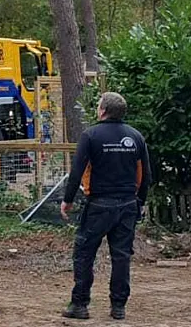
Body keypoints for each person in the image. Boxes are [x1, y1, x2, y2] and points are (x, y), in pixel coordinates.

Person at [60, 92, 151, 321]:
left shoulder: (90, 135)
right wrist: (140, 202)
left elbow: (77, 171)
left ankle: (79, 304)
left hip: (98, 205)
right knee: (121, 256)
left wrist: (67, 200)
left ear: (103, 111)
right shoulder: (136, 137)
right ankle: (118, 307)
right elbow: (145, 175)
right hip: (128, 204)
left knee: (84, 253)